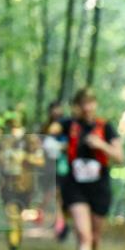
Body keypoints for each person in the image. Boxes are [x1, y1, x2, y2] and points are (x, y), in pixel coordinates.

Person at [60, 87, 124, 250]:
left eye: (91, 102)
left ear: (95, 104)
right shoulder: (68, 126)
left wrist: (101, 145)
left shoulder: (106, 127)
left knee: (94, 238)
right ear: (76, 106)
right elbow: (48, 135)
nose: (87, 107)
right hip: (75, 186)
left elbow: (119, 156)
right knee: (83, 234)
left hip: (99, 187)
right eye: (83, 103)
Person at [0, 115, 45, 250]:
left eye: (16, 127)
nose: (13, 130)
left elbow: (40, 160)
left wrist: (25, 157)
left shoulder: (30, 141)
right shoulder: (2, 142)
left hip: (25, 188)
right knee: (12, 220)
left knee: (19, 222)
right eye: (10, 127)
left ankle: (15, 247)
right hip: (8, 186)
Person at [41, 100, 69, 241]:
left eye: (58, 109)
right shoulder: (45, 128)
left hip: (63, 167)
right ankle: (58, 225)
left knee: (59, 197)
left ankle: (61, 226)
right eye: (54, 109)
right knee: (52, 195)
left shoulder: (68, 126)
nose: (56, 112)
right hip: (49, 167)